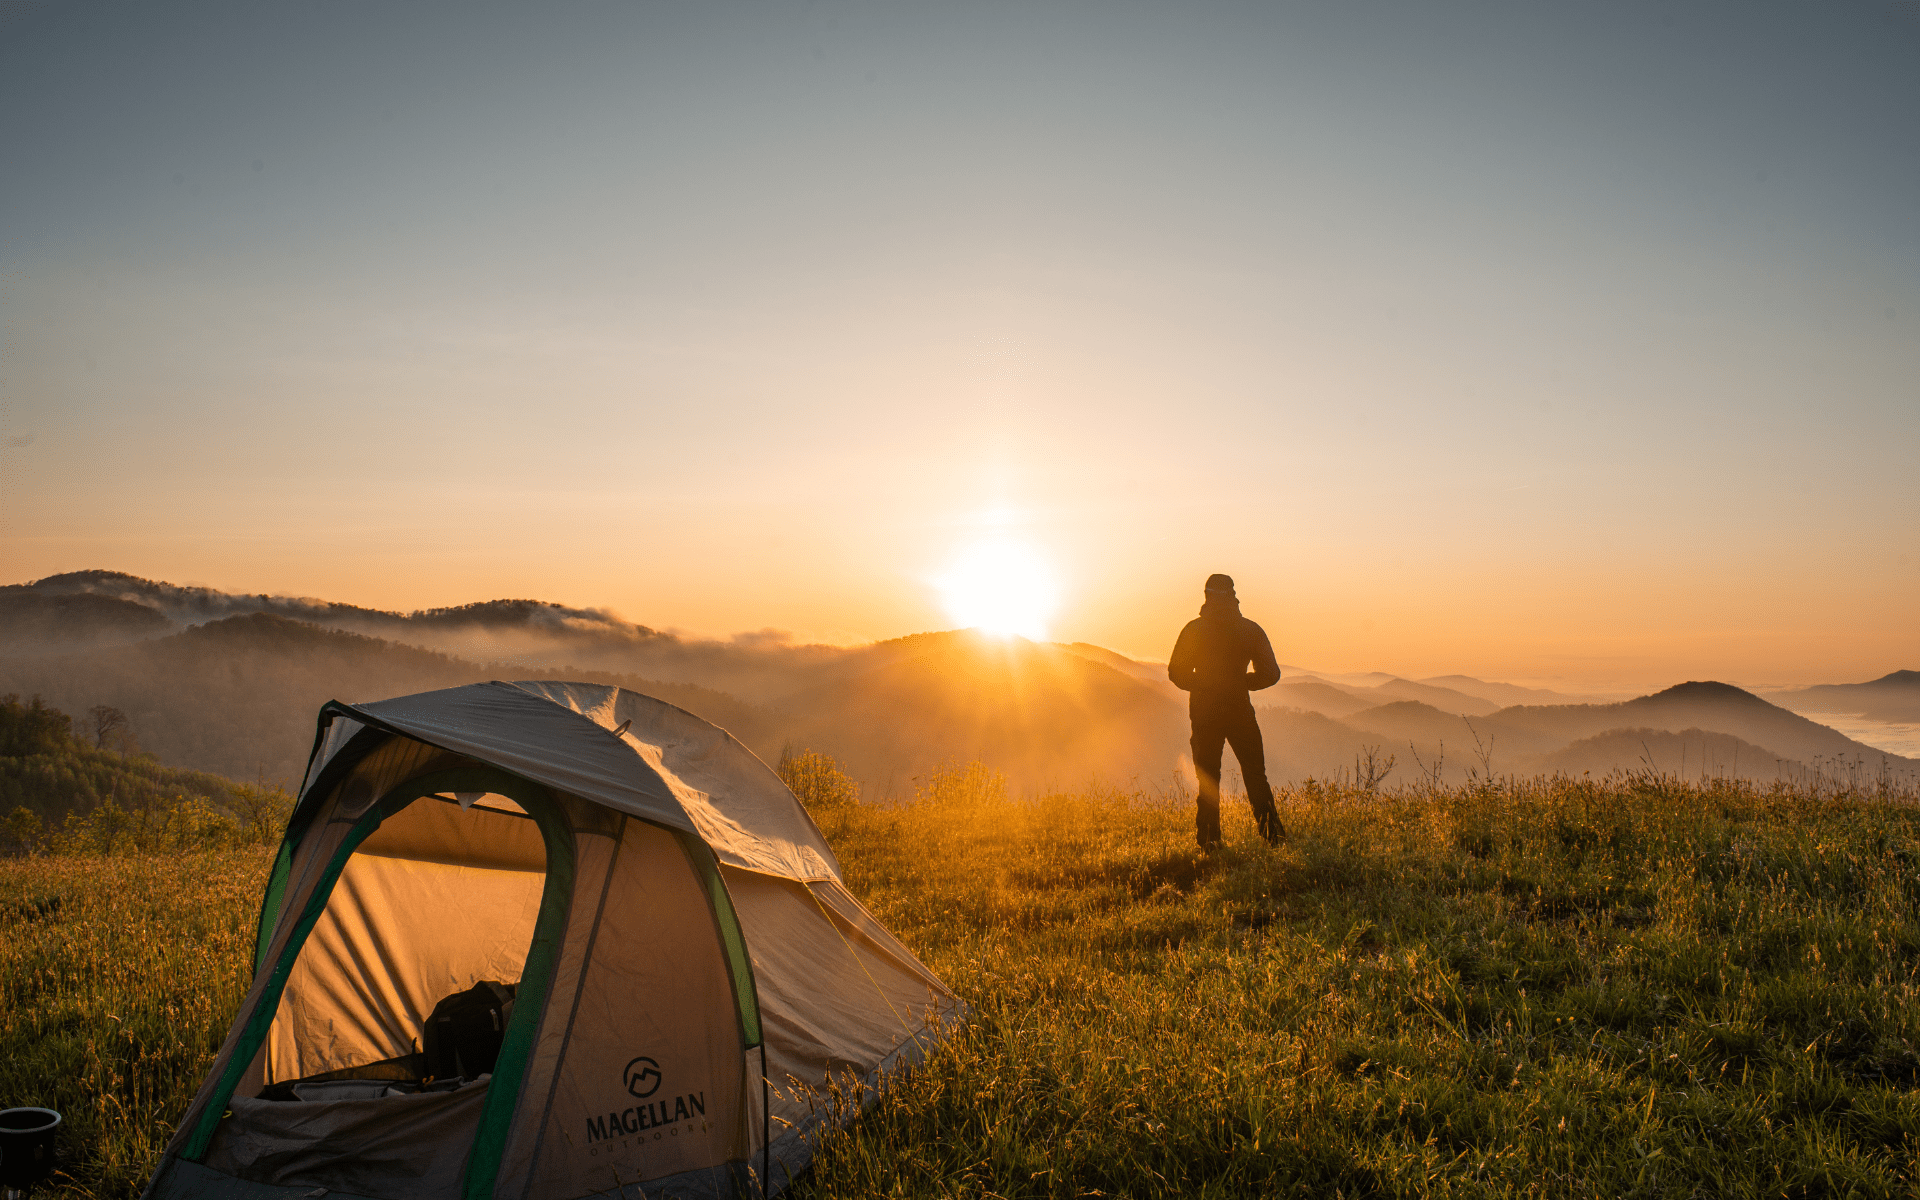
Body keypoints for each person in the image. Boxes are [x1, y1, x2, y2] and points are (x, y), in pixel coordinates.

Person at [1168, 573, 1284, 849]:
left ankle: (1209, 842)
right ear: (1233, 595)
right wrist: (1241, 682)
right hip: (1240, 709)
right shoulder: (1250, 629)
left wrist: (1205, 684)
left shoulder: (1193, 630)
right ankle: (1274, 838)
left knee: (1208, 777)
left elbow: (1176, 673)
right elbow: (1271, 674)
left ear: (1206, 596)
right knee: (1255, 774)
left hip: (1204, 711)